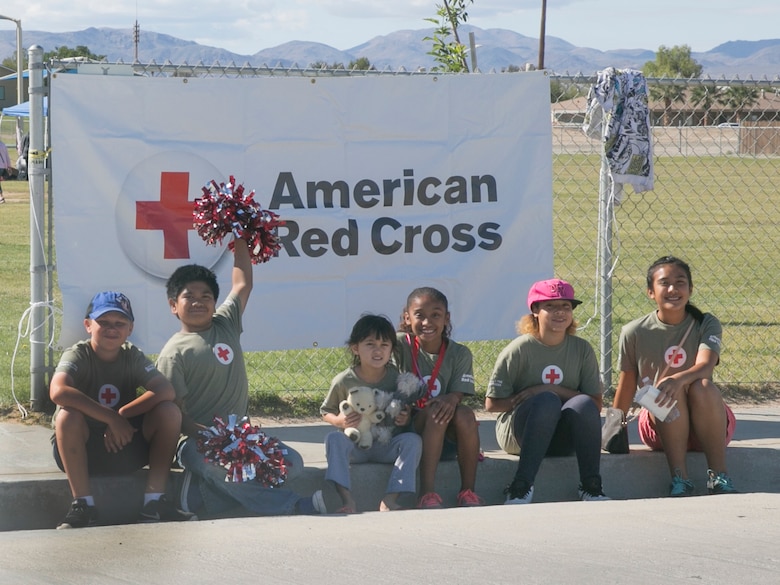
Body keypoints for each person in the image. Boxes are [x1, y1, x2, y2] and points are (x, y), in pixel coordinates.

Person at [156, 238, 326, 517]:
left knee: (292, 463)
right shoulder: (173, 353)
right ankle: (293, 505)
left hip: (242, 437)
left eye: (206, 296)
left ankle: (200, 495)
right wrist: (212, 437)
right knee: (217, 466)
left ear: (215, 302)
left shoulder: (226, 323)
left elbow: (242, 283)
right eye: (189, 297)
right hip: (196, 441)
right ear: (174, 305)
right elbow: (175, 415)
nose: (199, 301)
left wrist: (241, 238)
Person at [49, 291, 194, 529]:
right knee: (67, 415)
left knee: (168, 411)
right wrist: (109, 418)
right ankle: (83, 505)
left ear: (130, 328)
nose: (111, 329)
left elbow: (165, 390)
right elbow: (58, 391)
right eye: (103, 322)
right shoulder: (78, 353)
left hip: (124, 446)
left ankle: (154, 503)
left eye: (119, 323)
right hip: (83, 450)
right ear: (87, 325)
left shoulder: (131, 355)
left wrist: (120, 417)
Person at [611, 255, 737, 496]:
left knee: (701, 385)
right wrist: (615, 426)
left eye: (680, 282)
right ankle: (680, 479)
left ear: (690, 289)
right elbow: (626, 383)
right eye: (664, 283)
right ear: (650, 292)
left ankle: (719, 476)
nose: (673, 289)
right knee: (669, 391)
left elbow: (706, 365)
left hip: (707, 424)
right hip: (660, 424)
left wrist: (677, 379)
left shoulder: (705, 322)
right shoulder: (633, 331)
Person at [485, 279, 609, 504]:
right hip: (520, 434)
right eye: (550, 306)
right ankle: (520, 487)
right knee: (547, 402)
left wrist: (550, 388)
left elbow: (595, 404)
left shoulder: (581, 349)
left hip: (560, 437)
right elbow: (492, 404)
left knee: (580, 404)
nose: (559, 312)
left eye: (566, 306)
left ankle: (591, 486)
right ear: (534, 310)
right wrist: (529, 397)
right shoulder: (520, 349)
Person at [321, 314, 422, 513]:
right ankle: (347, 500)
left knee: (413, 440)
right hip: (355, 446)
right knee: (333, 439)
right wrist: (340, 421)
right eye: (370, 344)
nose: (378, 350)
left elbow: (405, 407)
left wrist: (405, 417)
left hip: (386, 445)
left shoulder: (396, 378)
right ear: (355, 348)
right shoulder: (344, 380)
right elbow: (326, 412)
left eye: (384, 345)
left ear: (392, 349)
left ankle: (390, 499)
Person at [396, 286, 483, 509]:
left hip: (447, 438)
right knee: (437, 412)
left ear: (447, 318)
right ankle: (427, 493)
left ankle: (468, 491)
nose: (427, 322)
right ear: (407, 317)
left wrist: (453, 397)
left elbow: (459, 392)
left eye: (435, 315)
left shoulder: (459, 353)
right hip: (412, 430)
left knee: (465, 414)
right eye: (419, 315)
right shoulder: (398, 346)